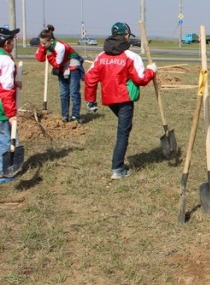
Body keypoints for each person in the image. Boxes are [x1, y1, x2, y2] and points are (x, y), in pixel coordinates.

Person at [84, 22, 157, 179]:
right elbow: (141, 79)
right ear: (126, 36)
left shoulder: (101, 57)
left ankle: (118, 164)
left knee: (124, 127)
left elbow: (89, 78)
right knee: (123, 132)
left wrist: (91, 100)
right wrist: (152, 71)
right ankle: (118, 168)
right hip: (124, 99)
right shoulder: (131, 57)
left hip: (109, 99)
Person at [35, 24, 89, 123]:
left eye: (44, 43)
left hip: (73, 64)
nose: (42, 45)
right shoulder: (45, 44)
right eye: (40, 43)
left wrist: (49, 55)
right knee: (64, 93)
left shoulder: (60, 47)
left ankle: (75, 116)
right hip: (61, 66)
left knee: (74, 92)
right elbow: (39, 58)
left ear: (51, 41)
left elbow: (57, 63)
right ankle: (65, 116)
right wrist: (43, 48)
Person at [0, 28, 21, 181]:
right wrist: (11, 113)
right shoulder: (6, 61)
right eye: (12, 42)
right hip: (2, 107)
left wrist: (14, 81)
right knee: (6, 139)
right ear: (7, 43)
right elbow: (6, 90)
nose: (13, 44)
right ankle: (5, 172)